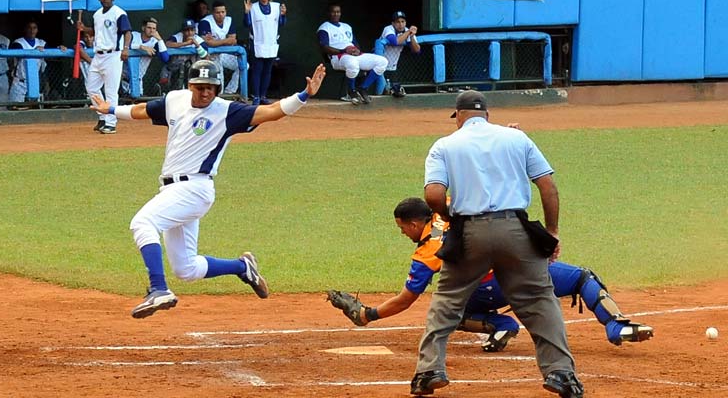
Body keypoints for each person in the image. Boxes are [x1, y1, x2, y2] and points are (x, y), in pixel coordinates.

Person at [88, 59, 326, 318]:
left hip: (196, 189)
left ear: (218, 88)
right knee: (186, 269)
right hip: (171, 190)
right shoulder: (175, 100)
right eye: (200, 87)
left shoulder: (228, 112)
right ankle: (242, 267)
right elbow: (144, 110)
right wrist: (110, 109)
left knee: (142, 223)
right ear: (190, 85)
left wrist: (303, 95)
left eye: (210, 88)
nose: (205, 92)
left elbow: (271, 111)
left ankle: (158, 289)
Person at [410, 91, 584, 398]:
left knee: (448, 300)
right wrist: (552, 231)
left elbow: (433, 196)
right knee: (539, 300)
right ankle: (561, 374)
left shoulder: (444, 145)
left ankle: (429, 371)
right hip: (516, 229)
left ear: (459, 115)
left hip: (469, 233)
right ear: (487, 114)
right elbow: (547, 186)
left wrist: (453, 217)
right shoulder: (517, 139)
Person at [332, 197, 654, 351]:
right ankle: (616, 326)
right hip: (523, 270)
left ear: (415, 224)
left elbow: (406, 300)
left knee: (447, 310)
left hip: (489, 291)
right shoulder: (451, 207)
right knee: (582, 277)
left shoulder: (425, 253)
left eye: (402, 228)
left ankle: (501, 324)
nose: (402, 233)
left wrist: (368, 314)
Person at [76, 0, 131, 134]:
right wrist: (84, 29)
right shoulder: (97, 14)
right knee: (91, 87)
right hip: (98, 55)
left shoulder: (119, 13)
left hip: (113, 55)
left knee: (111, 91)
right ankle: (102, 116)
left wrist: (126, 48)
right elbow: (96, 30)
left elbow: (127, 32)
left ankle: (111, 123)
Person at [317, 3, 388, 105]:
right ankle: (351, 92)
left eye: (338, 12)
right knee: (352, 63)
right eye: (333, 12)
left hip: (353, 55)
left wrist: (357, 50)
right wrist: (343, 51)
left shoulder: (347, 27)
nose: (336, 14)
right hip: (338, 57)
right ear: (328, 13)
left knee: (382, 61)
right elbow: (324, 47)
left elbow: (355, 44)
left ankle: (363, 88)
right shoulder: (324, 28)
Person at [244, 0, 286, 105]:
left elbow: (282, 24)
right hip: (257, 42)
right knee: (257, 70)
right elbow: (247, 24)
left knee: (268, 70)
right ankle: (256, 96)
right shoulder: (253, 7)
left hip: (271, 42)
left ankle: (263, 95)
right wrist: (246, 12)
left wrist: (283, 14)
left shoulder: (276, 6)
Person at [8, 20, 66, 103]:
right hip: (20, 82)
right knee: (15, 108)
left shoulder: (41, 43)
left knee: (34, 108)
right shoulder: (18, 42)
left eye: (34, 28)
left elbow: (52, 53)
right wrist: (34, 51)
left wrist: (59, 48)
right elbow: (19, 53)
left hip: (34, 82)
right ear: (25, 29)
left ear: (37, 30)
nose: (32, 30)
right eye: (29, 28)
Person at [197, 0, 240, 96]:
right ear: (213, 13)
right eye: (217, 12)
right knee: (219, 80)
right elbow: (207, 43)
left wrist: (215, 42)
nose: (220, 15)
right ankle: (219, 96)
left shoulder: (229, 20)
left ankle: (230, 91)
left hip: (223, 54)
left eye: (223, 12)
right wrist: (225, 41)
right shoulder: (205, 22)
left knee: (243, 65)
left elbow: (233, 40)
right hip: (210, 55)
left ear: (226, 12)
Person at [378, 10, 419, 97]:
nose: (400, 24)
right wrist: (408, 33)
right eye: (397, 22)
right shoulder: (388, 29)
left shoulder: (408, 31)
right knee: (379, 91)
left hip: (392, 67)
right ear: (393, 23)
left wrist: (411, 37)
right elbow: (395, 41)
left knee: (394, 92)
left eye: (403, 21)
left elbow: (417, 50)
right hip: (378, 65)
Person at [127, 17, 170, 96]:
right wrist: (141, 47)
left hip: (138, 79)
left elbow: (165, 58)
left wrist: (160, 39)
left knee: (137, 101)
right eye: (149, 27)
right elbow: (124, 46)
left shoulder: (154, 42)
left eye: (154, 28)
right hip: (123, 76)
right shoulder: (134, 35)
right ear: (143, 28)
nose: (152, 30)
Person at [165, 19, 208, 89]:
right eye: (187, 30)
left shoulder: (198, 39)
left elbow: (206, 57)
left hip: (193, 69)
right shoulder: (177, 37)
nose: (190, 33)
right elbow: (167, 44)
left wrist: (196, 44)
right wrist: (186, 43)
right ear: (182, 31)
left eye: (192, 30)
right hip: (175, 69)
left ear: (195, 30)